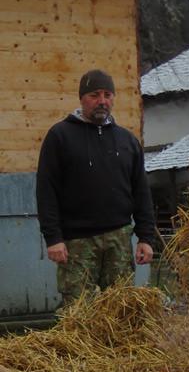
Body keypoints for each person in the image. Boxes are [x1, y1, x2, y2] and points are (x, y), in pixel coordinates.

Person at [36, 70, 155, 306]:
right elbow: (46, 190)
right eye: (94, 95)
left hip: (118, 240)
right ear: (82, 98)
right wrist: (53, 238)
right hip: (77, 243)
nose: (102, 101)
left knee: (121, 310)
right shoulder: (60, 136)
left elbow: (141, 191)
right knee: (78, 313)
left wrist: (146, 237)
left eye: (108, 94)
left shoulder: (127, 141)